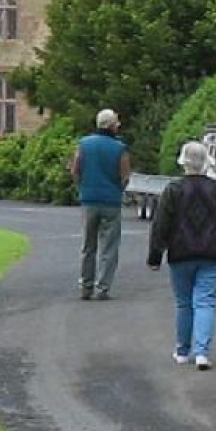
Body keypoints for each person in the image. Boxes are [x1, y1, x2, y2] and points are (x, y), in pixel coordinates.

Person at [148, 141, 216, 371]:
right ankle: (202, 352)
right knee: (206, 302)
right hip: (213, 252)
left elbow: (161, 224)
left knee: (184, 303)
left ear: (183, 163)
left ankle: (182, 351)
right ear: (206, 163)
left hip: (181, 252)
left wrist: (155, 255)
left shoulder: (173, 189)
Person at [70, 108, 131, 300]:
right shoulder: (119, 148)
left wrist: (82, 187)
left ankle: (85, 286)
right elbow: (125, 176)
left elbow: (75, 170)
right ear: (112, 126)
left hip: (89, 200)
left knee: (88, 245)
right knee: (109, 246)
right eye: (117, 123)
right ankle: (102, 287)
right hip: (111, 202)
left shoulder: (84, 144)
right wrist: (118, 190)